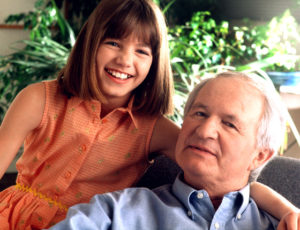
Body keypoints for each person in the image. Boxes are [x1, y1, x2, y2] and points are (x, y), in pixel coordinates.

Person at [0, 0, 296, 228]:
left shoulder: (153, 129)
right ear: (90, 42)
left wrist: (288, 211)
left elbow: (226, 177)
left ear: (155, 62)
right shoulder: (40, 99)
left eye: (142, 51)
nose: (125, 59)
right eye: (113, 42)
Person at [48, 72, 300, 230]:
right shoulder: (114, 212)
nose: (204, 131)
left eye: (229, 124)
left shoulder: (282, 224)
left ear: (260, 155)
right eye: (199, 113)